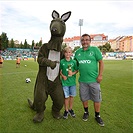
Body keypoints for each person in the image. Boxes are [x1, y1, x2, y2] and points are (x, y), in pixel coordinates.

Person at [74, 34, 104, 126]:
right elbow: (76, 66)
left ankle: (97, 116)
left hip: (94, 80)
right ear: (81, 42)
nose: (85, 42)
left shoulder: (95, 50)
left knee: (96, 99)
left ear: (90, 41)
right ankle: (86, 112)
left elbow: (101, 62)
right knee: (84, 98)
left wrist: (100, 75)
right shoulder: (77, 52)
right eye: (83, 40)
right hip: (82, 80)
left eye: (87, 40)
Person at [60, 47, 78, 119]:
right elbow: (59, 71)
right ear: (64, 53)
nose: (68, 54)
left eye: (69, 52)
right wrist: (63, 76)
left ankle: (70, 109)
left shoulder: (74, 62)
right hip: (65, 83)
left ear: (71, 53)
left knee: (71, 96)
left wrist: (72, 73)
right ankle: (66, 110)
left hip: (72, 83)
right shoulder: (62, 62)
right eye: (66, 52)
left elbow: (77, 70)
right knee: (66, 97)